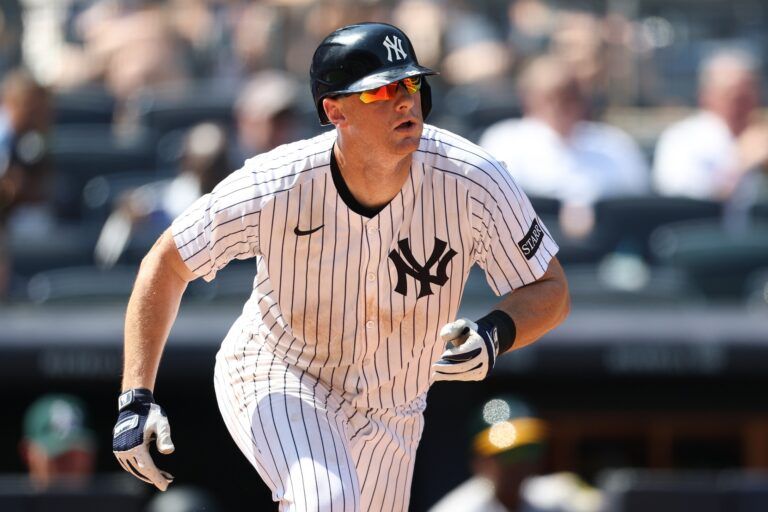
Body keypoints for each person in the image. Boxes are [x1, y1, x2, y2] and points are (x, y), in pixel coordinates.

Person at [111, 22, 570, 511]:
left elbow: (551, 288)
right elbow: (166, 261)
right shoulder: (278, 183)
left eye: (411, 83)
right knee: (324, 499)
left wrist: (496, 333)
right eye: (383, 90)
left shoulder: (474, 179)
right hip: (281, 370)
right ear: (335, 111)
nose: (405, 101)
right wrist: (134, 398)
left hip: (395, 403)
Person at [479, 54, 650, 205]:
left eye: (571, 96)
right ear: (528, 99)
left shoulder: (613, 142)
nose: (561, 106)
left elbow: (638, 202)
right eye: (550, 97)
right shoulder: (504, 141)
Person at [428, 395, 601, 512]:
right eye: (509, 454)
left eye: (528, 450)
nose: (520, 464)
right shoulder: (457, 508)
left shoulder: (555, 495)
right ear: (480, 462)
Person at [653, 49, 768, 202]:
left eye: (748, 95)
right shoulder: (681, 140)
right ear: (705, 96)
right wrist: (740, 163)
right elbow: (682, 206)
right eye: (732, 96)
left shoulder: (761, 133)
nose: (742, 105)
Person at [20, 394, 97, 490]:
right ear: (27, 453)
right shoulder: (7, 504)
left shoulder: (109, 503)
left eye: (76, 454)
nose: (70, 466)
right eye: (59, 456)